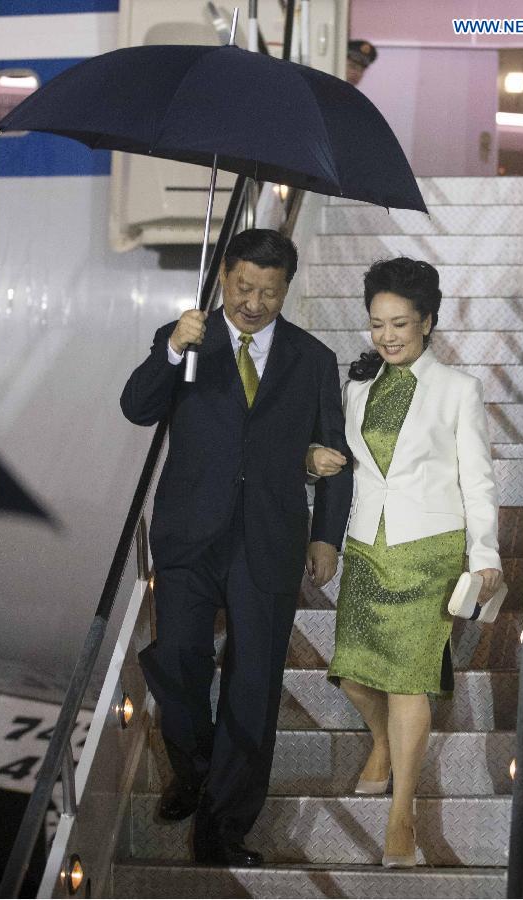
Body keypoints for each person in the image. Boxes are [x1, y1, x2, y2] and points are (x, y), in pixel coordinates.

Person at [120, 228, 352, 867]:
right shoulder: (188, 337)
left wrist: (326, 535)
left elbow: (336, 454)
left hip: (269, 541)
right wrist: (170, 349)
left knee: (253, 683)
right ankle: (193, 768)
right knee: (180, 659)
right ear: (223, 276)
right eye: (244, 287)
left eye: (269, 294)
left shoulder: (311, 359)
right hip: (188, 534)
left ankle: (223, 826)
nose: (254, 303)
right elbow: (137, 408)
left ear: (286, 291)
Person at [307, 257, 503, 867]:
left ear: (428, 322)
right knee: (356, 674)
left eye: (400, 324)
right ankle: (381, 744)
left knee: (410, 679)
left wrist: (487, 552)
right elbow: (343, 462)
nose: (387, 336)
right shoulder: (358, 389)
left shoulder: (459, 390)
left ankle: (402, 818)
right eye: (377, 325)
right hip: (368, 546)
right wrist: (314, 459)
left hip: (429, 552)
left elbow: (480, 480)